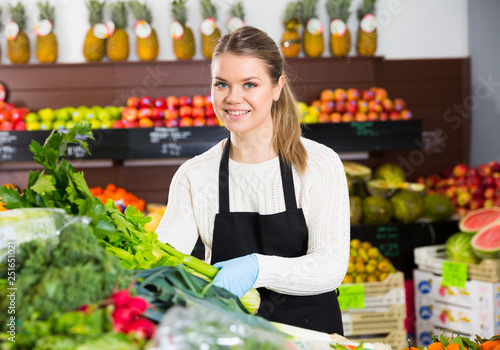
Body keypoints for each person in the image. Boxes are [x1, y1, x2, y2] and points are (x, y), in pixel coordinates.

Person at [156, 26, 350, 334]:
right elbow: (161, 263)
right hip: (231, 338)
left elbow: (330, 267)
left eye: (250, 84)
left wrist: (258, 268)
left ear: (276, 88)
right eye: (222, 84)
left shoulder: (320, 164)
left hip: (312, 338)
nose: (233, 98)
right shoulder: (194, 176)